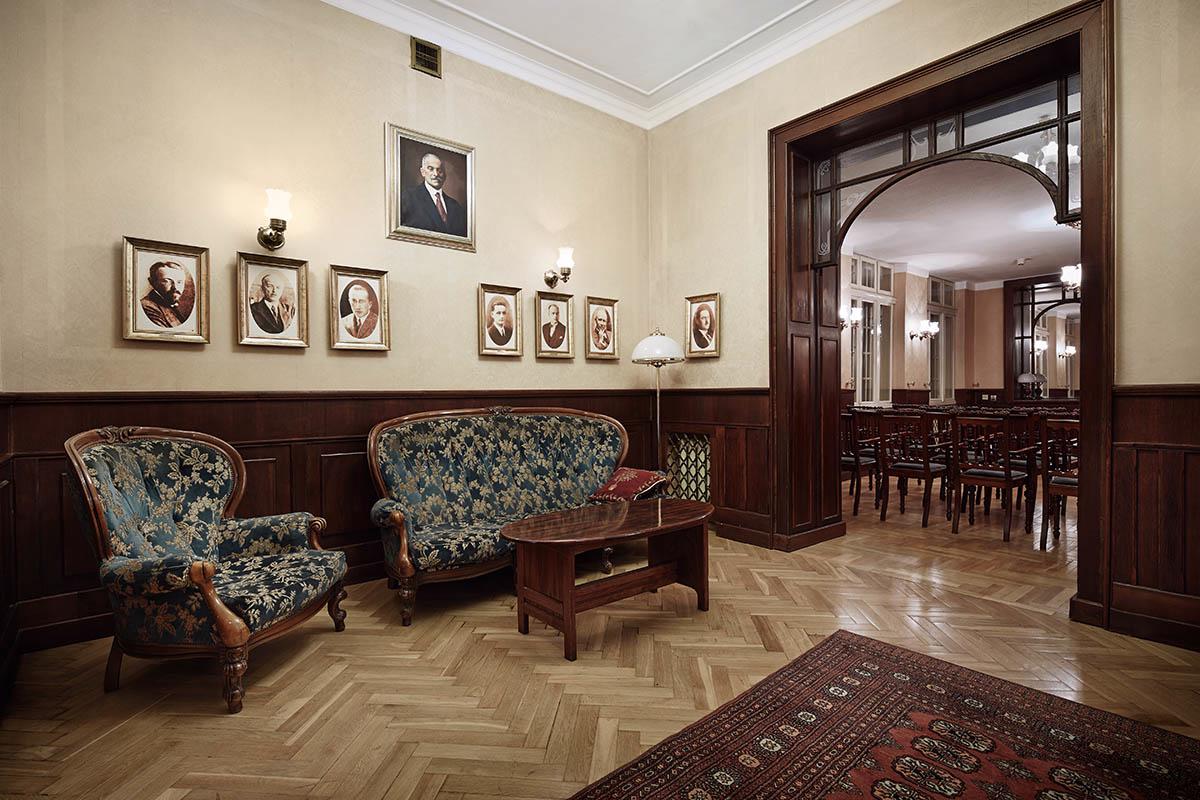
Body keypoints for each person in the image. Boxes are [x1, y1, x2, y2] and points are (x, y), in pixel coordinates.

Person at [400, 152, 468, 237]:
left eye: (439, 170)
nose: (436, 174)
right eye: (431, 169)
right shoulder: (408, 198)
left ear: (445, 175)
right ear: (423, 172)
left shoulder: (455, 206)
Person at [140, 260, 194, 328]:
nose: (175, 287)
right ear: (152, 282)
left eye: (179, 282)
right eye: (167, 281)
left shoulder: (171, 304)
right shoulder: (147, 307)